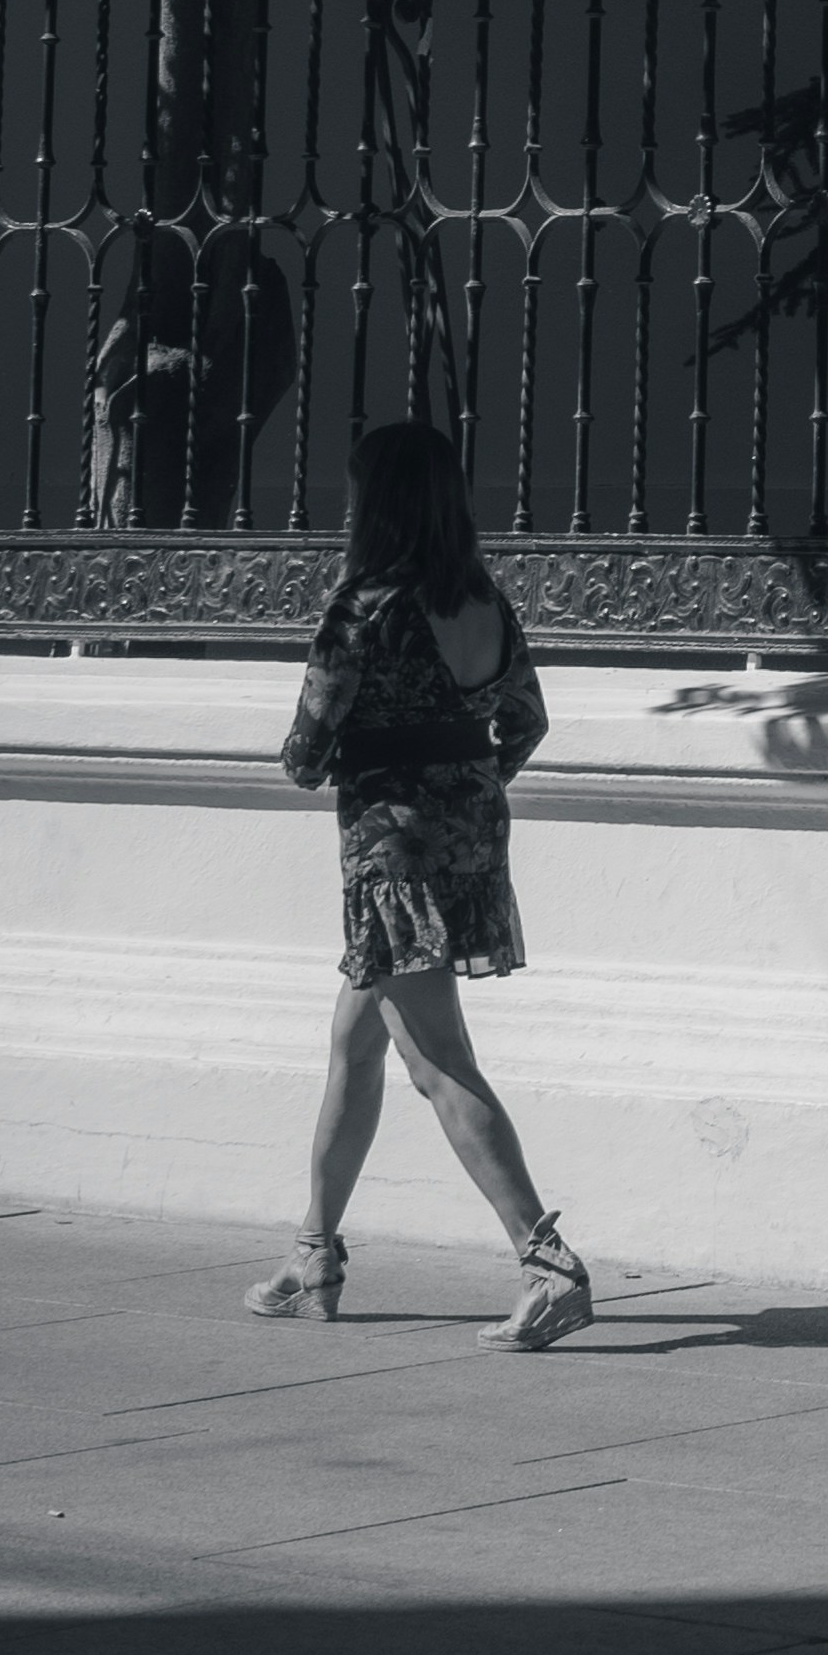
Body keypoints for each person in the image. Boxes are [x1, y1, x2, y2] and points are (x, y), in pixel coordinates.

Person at [247, 416, 590, 1347]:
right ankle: (312, 1257)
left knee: (436, 1061)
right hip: (471, 837)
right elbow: (523, 723)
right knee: (354, 1044)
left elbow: (307, 752)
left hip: (391, 853)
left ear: (378, 502)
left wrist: (358, 764)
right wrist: (462, 782)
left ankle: (546, 1260)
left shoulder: (362, 608)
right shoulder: (484, 599)